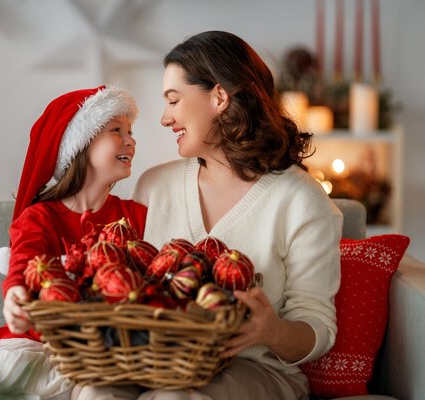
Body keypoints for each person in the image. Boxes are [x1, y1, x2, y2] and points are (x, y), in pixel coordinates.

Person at [72, 31, 342, 400]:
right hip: (153, 360)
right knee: (94, 392)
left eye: (174, 100)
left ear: (218, 97)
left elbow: (318, 327)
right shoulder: (154, 186)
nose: (165, 119)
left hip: (254, 369)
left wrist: (271, 330)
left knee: (175, 397)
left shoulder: (301, 200)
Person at [0, 85, 147, 400]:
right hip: (33, 346)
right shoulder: (41, 217)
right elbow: (24, 261)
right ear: (82, 144)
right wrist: (16, 292)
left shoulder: (134, 216)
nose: (131, 140)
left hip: (102, 353)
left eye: (130, 131)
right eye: (117, 130)